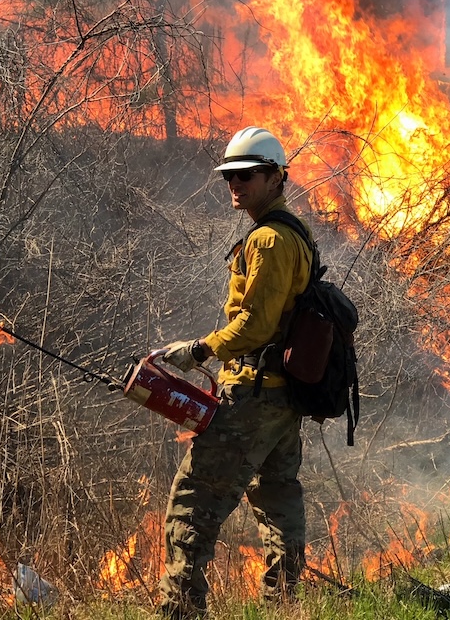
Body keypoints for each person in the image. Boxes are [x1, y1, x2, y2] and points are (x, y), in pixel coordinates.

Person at [156, 126, 314, 620]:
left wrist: (200, 350)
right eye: (229, 176)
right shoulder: (294, 232)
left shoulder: (268, 239)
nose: (235, 184)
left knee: (192, 504)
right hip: (282, 398)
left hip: (252, 396)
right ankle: (284, 606)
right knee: (278, 498)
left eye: (246, 176)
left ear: (276, 177)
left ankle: (180, 612)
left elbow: (256, 324)